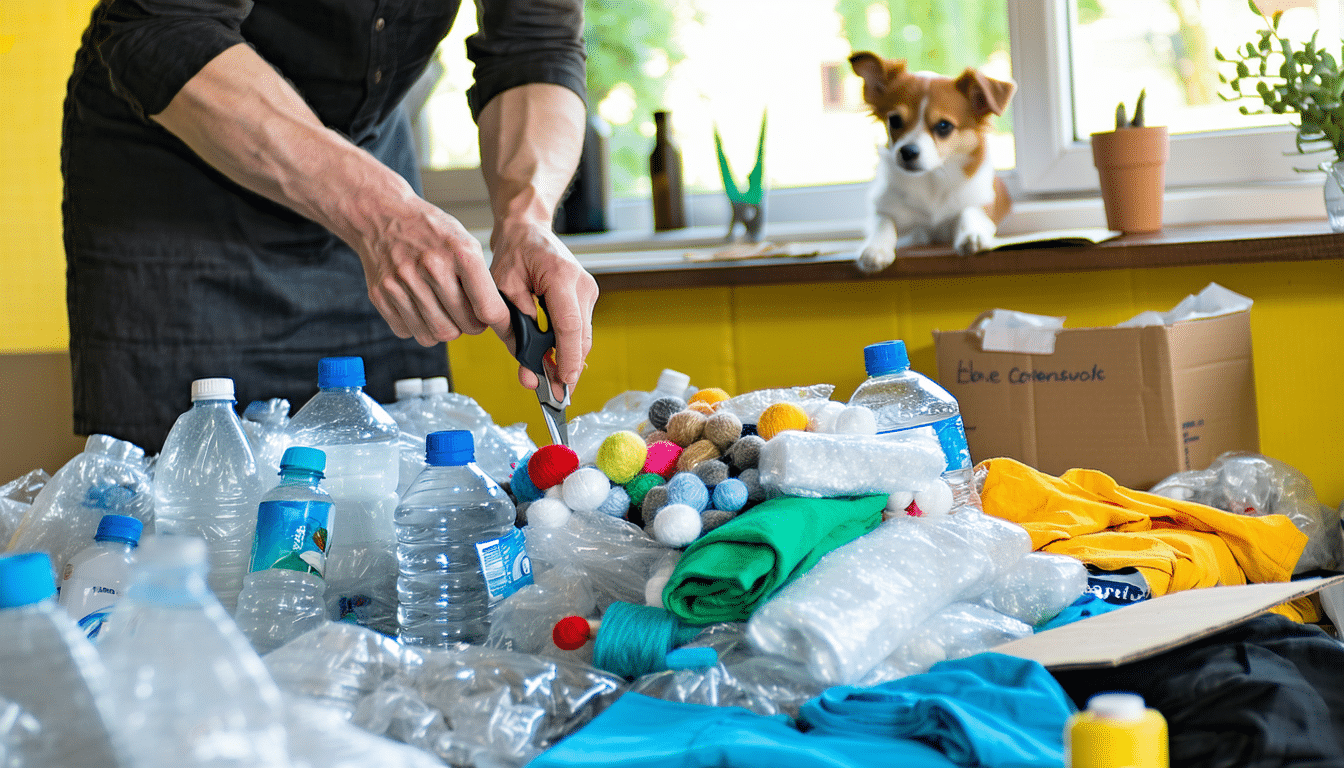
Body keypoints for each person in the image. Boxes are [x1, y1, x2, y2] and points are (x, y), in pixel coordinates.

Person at [61, 0, 599, 455]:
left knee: (391, 472)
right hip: (175, 185)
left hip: (372, 174)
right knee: (190, 486)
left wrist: (527, 218)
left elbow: (536, 44)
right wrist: (378, 211)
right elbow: (162, 24)